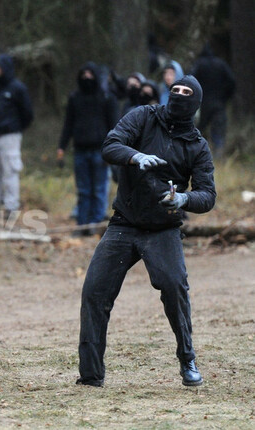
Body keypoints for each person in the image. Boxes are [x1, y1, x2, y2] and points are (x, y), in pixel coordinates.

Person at [77, 75, 214, 388]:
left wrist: (183, 198)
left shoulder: (197, 146)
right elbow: (110, 144)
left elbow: (207, 195)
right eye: (175, 90)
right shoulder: (143, 116)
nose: (179, 96)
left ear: (196, 103)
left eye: (186, 93)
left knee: (175, 288)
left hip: (163, 228)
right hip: (124, 222)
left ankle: (187, 358)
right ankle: (91, 374)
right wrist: (134, 156)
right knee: (94, 292)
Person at [57, 63, 118, 233]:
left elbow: (114, 126)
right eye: (83, 74)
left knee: (99, 190)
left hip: (101, 151)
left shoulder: (107, 97)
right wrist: (61, 146)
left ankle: (96, 225)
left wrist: (113, 150)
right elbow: (68, 124)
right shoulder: (74, 97)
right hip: (80, 151)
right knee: (83, 190)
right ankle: (82, 224)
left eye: (90, 73)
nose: (87, 77)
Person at [0, 54, 33, 217]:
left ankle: (11, 206)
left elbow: (27, 113)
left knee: (10, 171)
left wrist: (16, 128)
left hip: (10, 137)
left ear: (6, 67)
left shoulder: (18, 88)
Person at [191, 44, 236, 155]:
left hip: (203, 104)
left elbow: (190, 80)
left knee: (199, 129)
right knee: (218, 130)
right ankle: (218, 154)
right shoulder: (221, 64)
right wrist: (226, 97)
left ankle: (196, 153)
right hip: (219, 103)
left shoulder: (199, 64)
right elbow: (232, 81)